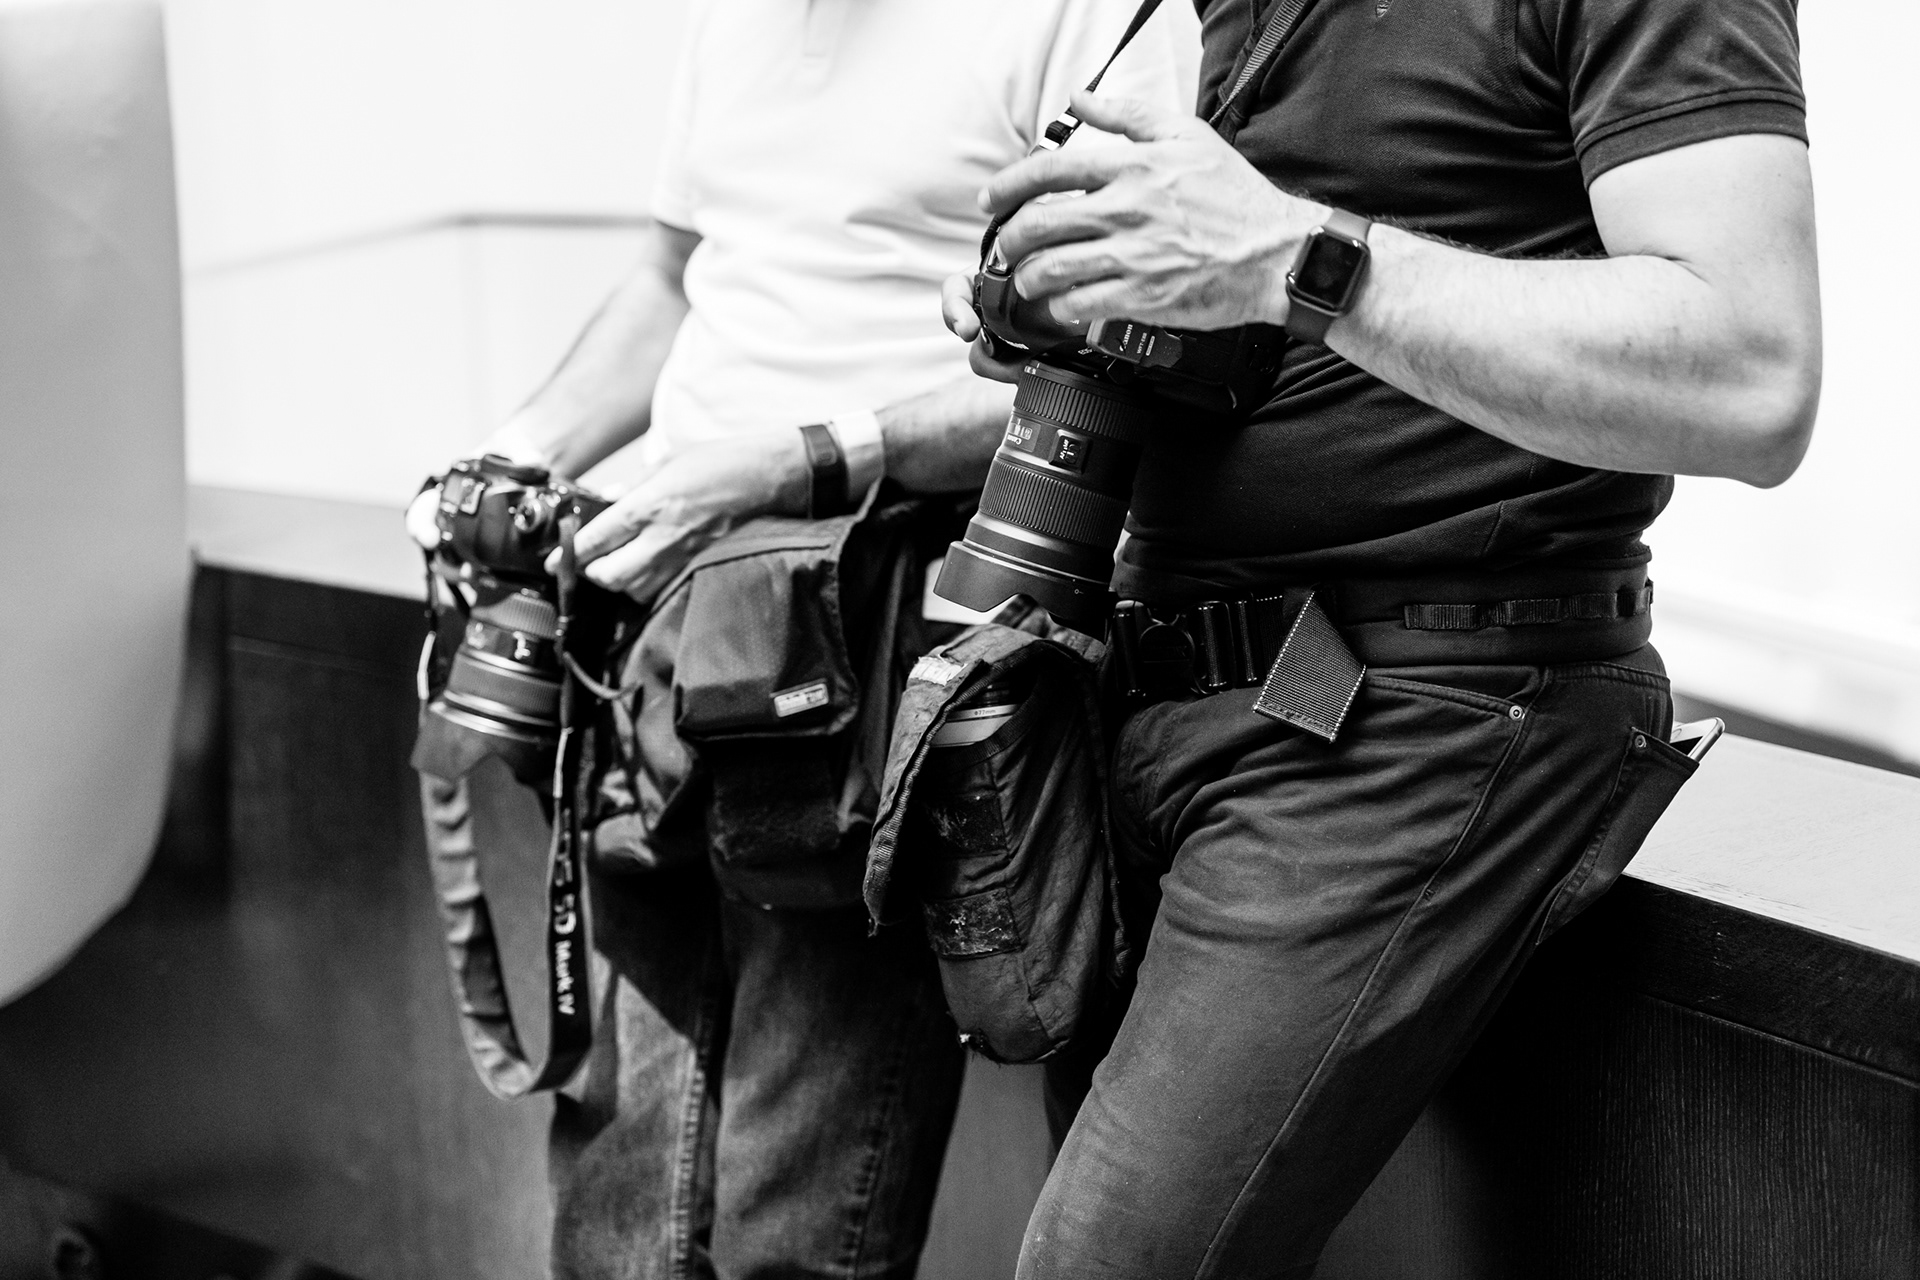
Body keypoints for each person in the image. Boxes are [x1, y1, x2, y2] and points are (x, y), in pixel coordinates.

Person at [941, 0, 1820, 1274]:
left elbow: (1753, 374)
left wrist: (1292, 255)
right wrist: (1085, 295)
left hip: (1407, 710)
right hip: (1151, 705)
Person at [410, 2, 1186, 1276]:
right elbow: (671, 279)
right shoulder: (734, 21)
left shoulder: (1085, 17)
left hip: (876, 635)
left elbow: (1112, 363)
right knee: (613, 1181)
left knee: (797, 1192)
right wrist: (516, 452)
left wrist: (807, 456)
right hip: (671, 611)